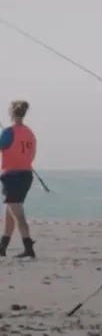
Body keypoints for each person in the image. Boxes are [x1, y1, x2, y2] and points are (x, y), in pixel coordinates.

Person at [0, 100, 36, 258]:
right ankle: (3, 246)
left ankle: (28, 247)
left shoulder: (9, 132)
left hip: (13, 175)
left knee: (18, 214)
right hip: (26, 175)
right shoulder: (30, 133)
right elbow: (32, 155)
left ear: (11, 114)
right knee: (10, 212)